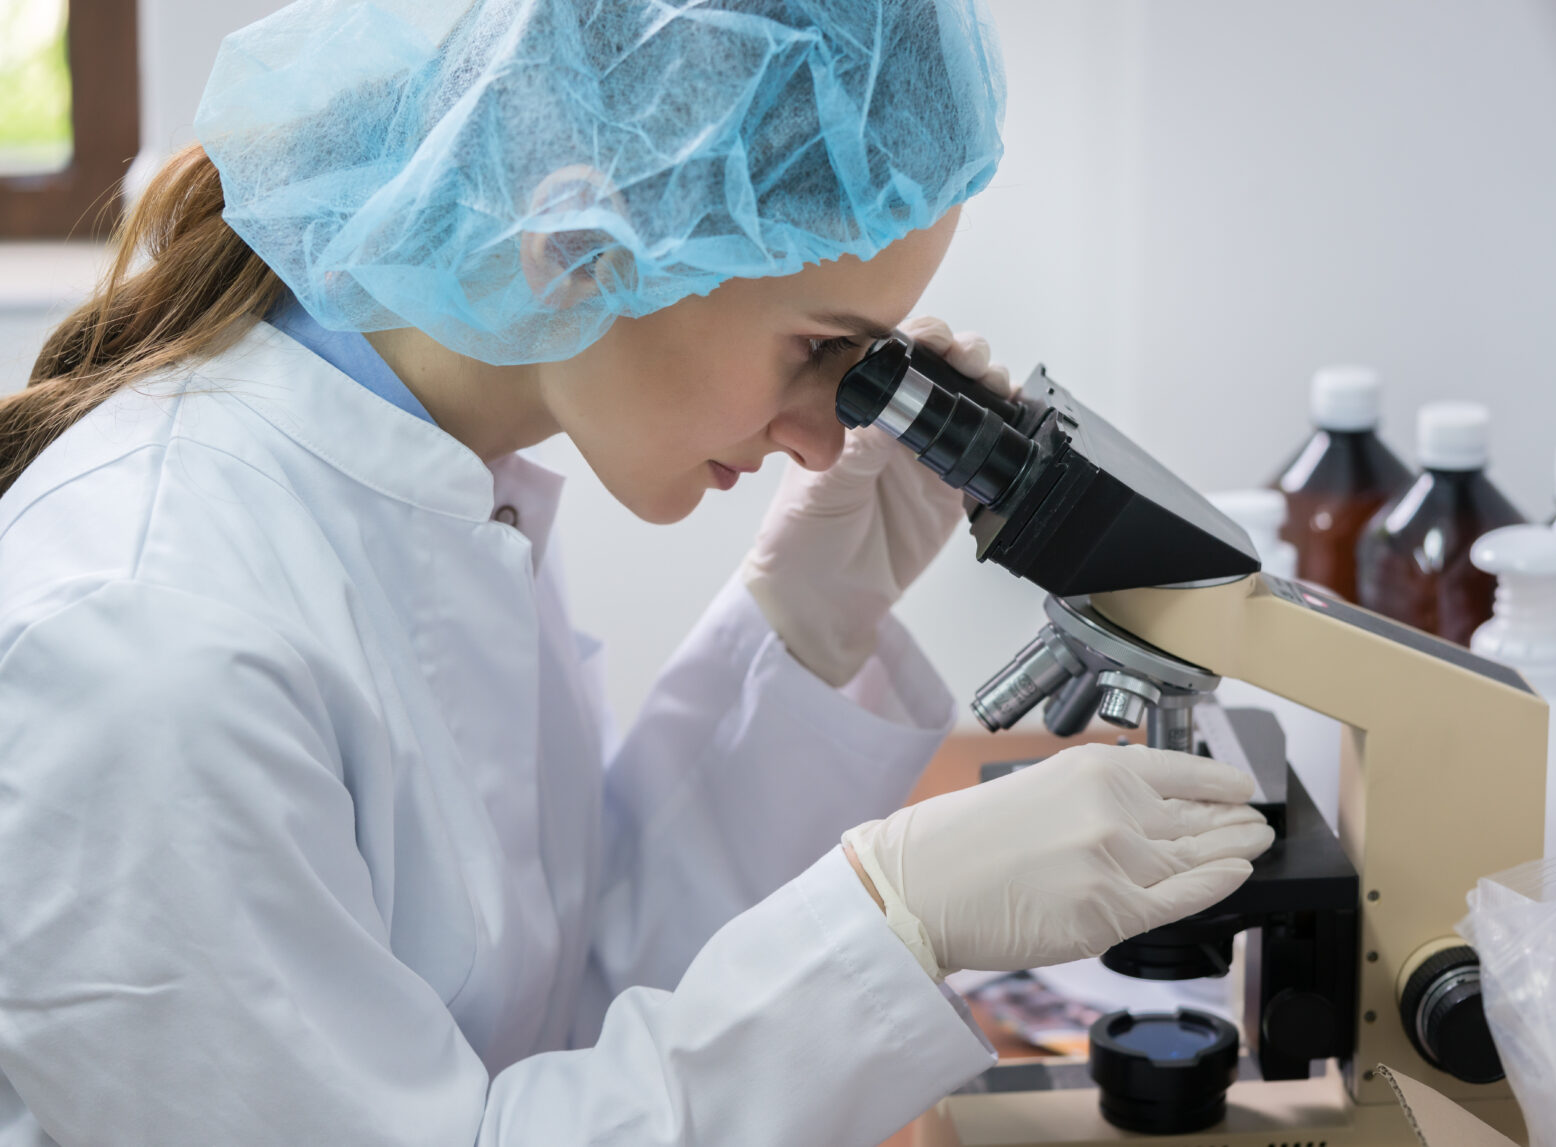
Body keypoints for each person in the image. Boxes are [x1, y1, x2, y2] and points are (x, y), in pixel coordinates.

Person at [0, 2, 1272, 1144]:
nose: (831, 434)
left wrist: (806, 621)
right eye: (825, 347)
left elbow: (567, 991)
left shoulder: (431, 481)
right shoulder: (151, 638)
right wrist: (895, 916)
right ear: (578, 241)